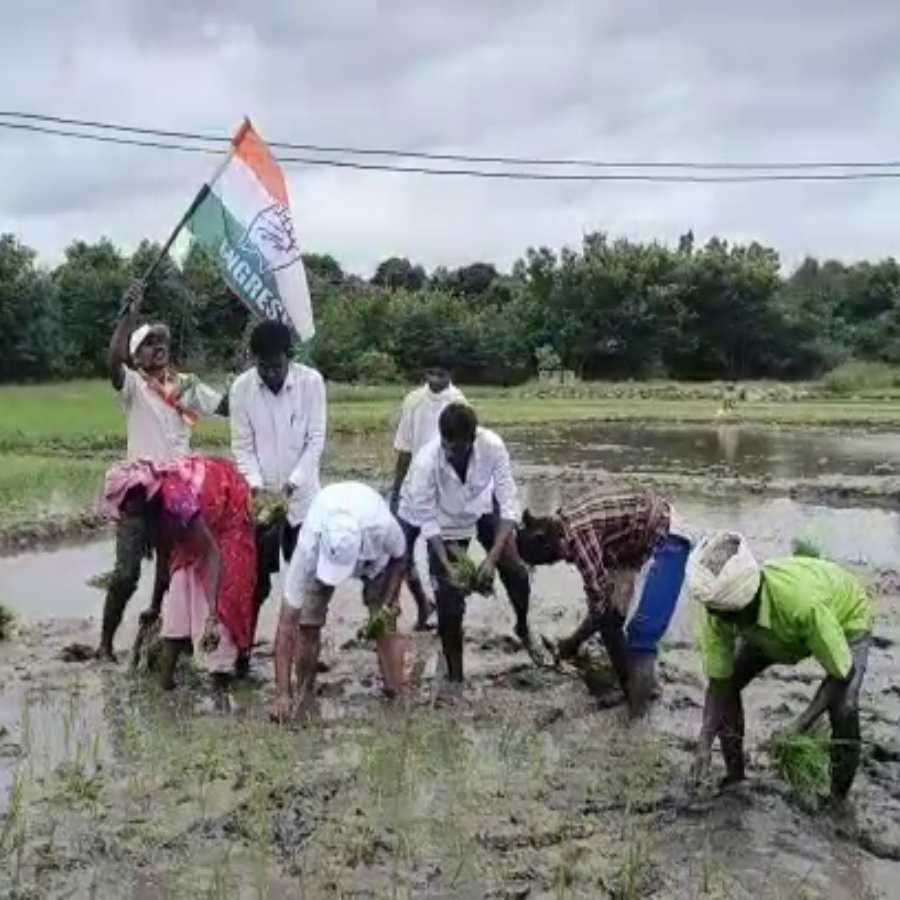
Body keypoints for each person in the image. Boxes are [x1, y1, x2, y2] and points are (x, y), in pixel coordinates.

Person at [688, 533, 872, 807]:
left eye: (730, 616)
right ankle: (735, 778)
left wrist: (799, 724)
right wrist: (704, 743)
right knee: (730, 686)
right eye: (718, 615)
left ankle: (838, 800)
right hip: (777, 631)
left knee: (845, 706)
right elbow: (719, 683)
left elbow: (841, 673)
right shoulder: (718, 609)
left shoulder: (802, 604)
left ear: (748, 601)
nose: (726, 625)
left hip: (844, 616)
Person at [98, 280, 226, 661]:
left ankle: (159, 623)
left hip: (178, 484)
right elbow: (113, 363)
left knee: (173, 565)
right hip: (140, 486)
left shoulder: (186, 385)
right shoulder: (134, 385)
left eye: (162, 341)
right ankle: (105, 642)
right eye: (150, 342)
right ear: (137, 355)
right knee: (126, 573)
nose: (159, 346)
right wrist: (128, 315)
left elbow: (224, 405)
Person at [398, 402, 538, 693]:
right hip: (443, 519)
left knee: (517, 573)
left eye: (460, 449)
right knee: (449, 601)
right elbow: (428, 522)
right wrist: (448, 566)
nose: (453, 454)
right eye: (448, 448)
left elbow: (509, 503)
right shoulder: (426, 462)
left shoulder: (492, 446)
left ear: (473, 440)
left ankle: (523, 626)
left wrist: (491, 559)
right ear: (442, 439)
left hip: (480, 505)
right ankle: (455, 677)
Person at [516, 488, 691, 716]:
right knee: (612, 617)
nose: (556, 562)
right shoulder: (562, 521)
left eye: (550, 560)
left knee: (627, 630)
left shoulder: (579, 540)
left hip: (666, 535)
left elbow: (599, 607)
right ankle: (632, 683)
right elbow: (601, 601)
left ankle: (635, 705)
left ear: (545, 543)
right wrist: (575, 641)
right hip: (629, 542)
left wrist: (574, 641)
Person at [102, 456, 257, 693]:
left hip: (228, 519)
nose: (124, 512)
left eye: (126, 505)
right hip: (200, 522)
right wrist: (154, 607)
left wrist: (213, 616)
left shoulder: (176, 499)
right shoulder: (153, 512)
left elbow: (212, 553)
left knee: (225, 598)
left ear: (138, 495)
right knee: (179, 596)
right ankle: (166, 684)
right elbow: (165, 559)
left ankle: (221, 686)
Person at [229, 320, 326, 666]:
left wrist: (290, 486)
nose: (270, 373)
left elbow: (315, 441)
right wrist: (258, 489)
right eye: (263, 366)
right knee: (255, 582)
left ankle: (305, 652)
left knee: (307, 580)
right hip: (260, 501)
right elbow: (241, 446)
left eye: (276, 365)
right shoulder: (241, 389)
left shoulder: (311, 383)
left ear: (289, 357)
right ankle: (243, 648)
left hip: (302, 499)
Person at [269, 482, 408, 723]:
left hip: (377, 561)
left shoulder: (381, 527)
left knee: (386, 624)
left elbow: (400, 556)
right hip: (321, 550)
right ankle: (305, 694)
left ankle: (395, 693)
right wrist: (282, 694)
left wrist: (387, 603)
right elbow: (286, 625)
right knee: (307, 625)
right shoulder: (309, 547)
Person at [390, 357, 466, 630]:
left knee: (441, 558)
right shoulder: (413, 400)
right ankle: (423, 603)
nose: (435, 380)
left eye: (441, 373)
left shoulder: (458, 402)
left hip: (444, 491)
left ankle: (448, 614)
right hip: (413, 486)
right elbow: (405, 447)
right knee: (400, 553)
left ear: (451, 372)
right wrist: (397, 489)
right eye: (430, 373)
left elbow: (461, 452)